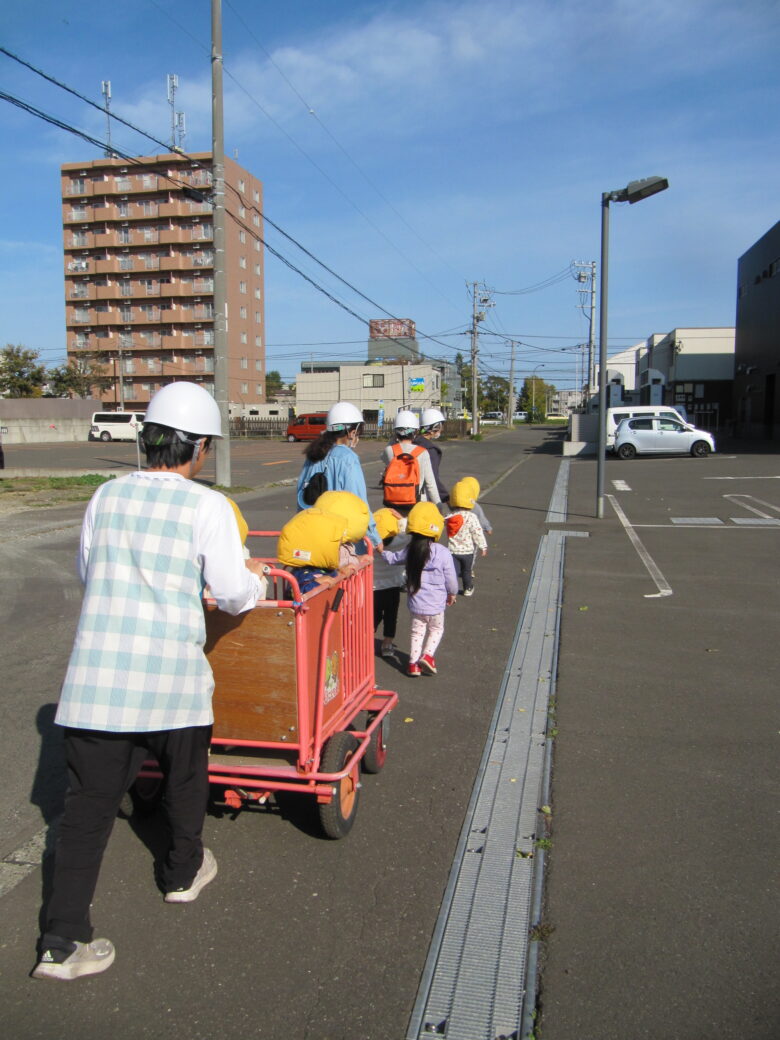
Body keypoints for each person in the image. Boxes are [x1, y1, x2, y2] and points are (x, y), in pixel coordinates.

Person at [33, 382, 268, 982]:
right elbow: (234, 591)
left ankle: (61, 944)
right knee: (186, 781)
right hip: (172, 678)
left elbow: (91, 573)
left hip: (97, 685)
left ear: (149, 439)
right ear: (198, 448)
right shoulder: (206, 507)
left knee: (84, 811)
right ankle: (182, 875)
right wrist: (256, 580)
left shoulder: (105, 496)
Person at [381, 501, 457, 677]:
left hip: (416, 604)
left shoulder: (411, 550)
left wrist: (381, 550)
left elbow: (392, 559)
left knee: (417, 632)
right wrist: (452, 593)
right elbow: (451, 579)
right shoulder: (442, 552)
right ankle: (428, 656)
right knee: (436, 630)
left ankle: (413, 664)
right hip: (436, 605)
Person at [296, 401, 380, 547]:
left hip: (313, 532)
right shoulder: (348, 458)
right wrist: (374, 538)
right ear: (351, 432)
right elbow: (359, 502)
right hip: (340, 538)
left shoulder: (313, 454)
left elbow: (301, 496)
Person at [277, 491, 369, 596]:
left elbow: (333, 575)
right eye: (336, 543)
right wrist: (317, 584)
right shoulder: (303, 572)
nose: (339, 546)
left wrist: (341, 572)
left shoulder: (326, 568)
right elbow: (297, 592)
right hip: (315, 612)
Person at [381, 410, 440, 513]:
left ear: (396, 432)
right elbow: (430, 484)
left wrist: (394, 438)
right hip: (417, 504)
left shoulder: (389, 451)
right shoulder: (422, 453)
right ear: (415, 432)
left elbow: (382, 457)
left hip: (394, 504)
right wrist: (439, 506)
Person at [372, 507, 409, 663]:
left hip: (373, 587)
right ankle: (387, 643)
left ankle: (367, 638)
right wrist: (401, 520)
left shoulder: (370, 544)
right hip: (393, 586)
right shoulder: (401, 541)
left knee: (373, 615)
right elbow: (412, 532)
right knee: (391, 615)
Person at [445, 478, 488, 596]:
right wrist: (483, 546)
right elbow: (477, 532)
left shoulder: (449, 517)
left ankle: (450, 589)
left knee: (452, 572)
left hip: (452, 551)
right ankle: (468, 589)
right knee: (466, 571)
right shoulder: (472, 516)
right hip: (468, 551)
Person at [414, 407, 449, 504]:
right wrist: (446, 498)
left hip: (404, 495)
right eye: (441, 426)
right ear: (435, 427)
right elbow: (433, 480)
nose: (441, 430)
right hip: (422, 498)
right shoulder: (430, 450)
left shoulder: (412, 443)